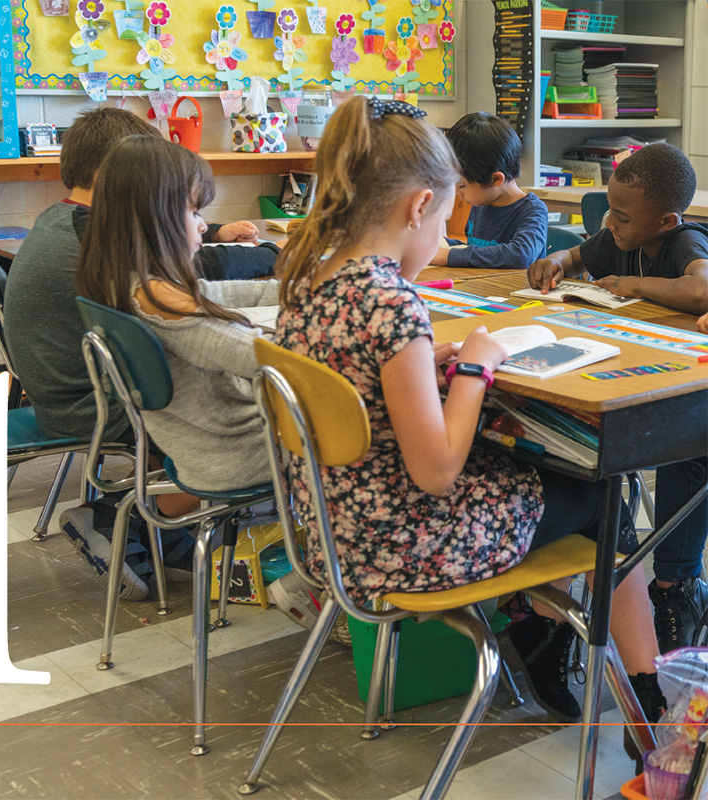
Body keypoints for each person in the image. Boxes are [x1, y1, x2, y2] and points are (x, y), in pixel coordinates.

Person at [272, 96, 665, 732]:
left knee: (546, 471)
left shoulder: (308, 278)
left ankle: (546, 631)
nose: (444, 235)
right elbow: (437, 472)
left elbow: (356, 380)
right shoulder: (391, 303)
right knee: (605, 492)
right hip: (404, 547)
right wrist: (477, 369)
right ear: (419, 206)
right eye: (446, 215)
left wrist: (418, 370)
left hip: (331, 529)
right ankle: (641, 695)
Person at [5, 108, 280, 599]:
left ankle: (156, 530)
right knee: (311, 428)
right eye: (191, 211)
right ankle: (123, 520)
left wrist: (289, 289)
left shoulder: (75, 226)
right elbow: (243, 346)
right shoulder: (118, 267)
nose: (203, 225)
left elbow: (200, 288)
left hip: (83, 387)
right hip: (96, 403)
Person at [528, 142, 708, 653]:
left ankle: (675, 586)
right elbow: (576, 255)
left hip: (683, 387)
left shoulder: (685, 240)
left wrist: (632, 284)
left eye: (622, 216)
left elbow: (701, 291)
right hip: (631, 375)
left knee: (690, 451)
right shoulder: (619, 234)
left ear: (666, 220)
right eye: (609, 209)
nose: (610, 222)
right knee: (565, 431)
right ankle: (547, 603)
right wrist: (555, 260)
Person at [76, 134, 276, 493]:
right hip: (241, 452)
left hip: (207, 443)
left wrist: (301, 291)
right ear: (154, 216)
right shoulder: (161, 302)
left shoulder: (127, 282)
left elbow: (222, 293)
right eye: (195, 211)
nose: (204, 226)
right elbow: (267, 360)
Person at [429, 111, 548, 270]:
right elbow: (477, 251)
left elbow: (521, 255)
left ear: (495, 179)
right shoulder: (482, 202)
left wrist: (448, 256)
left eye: (462, 185)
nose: (457, 192)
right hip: (482, 282)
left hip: (514, 285)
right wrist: (441, 244)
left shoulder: (533, 210)